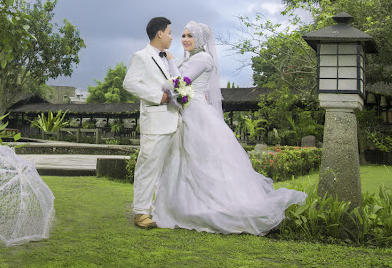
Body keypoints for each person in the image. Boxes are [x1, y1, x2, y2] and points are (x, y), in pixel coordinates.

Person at [151, 21, 306, 235]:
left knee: (202, 159)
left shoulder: (204, 58)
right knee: (182, 159)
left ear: (201, 39)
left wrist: (170, 62)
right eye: (183, 35)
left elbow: (180, 86)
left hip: (196, 113)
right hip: (186, 111)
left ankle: (211, 207)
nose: (184, 39)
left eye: (190, 36)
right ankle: (181, 205)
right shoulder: (192, 58)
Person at [123, 17, 181, 229]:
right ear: (159, 33)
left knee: (169, 169)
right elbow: (129, 83)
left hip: (173, 121)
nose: (172, 37)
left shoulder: (166, 58)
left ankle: (161, 209)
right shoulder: (141, 56)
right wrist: (158, 96)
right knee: (147, 167)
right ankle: (141, 212)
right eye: (170, 32)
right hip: (155, 122)